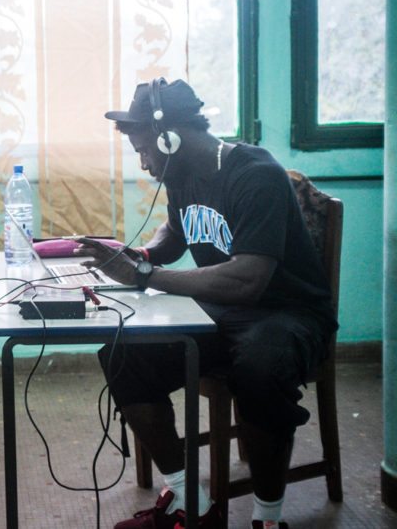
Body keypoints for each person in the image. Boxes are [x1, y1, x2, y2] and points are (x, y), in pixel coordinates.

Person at [75, 78, 337, 529]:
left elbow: (248, 280)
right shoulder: (184, 174)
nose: (143, 163)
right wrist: (142, 256)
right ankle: (187, 503)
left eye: (145, 150)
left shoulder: (256, 174)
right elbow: (174, 234)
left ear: (170, 137)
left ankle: (267, 519)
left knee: (260, 365)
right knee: (124, 353)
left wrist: (146, 275)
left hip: (286, 312)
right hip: (219, 309)